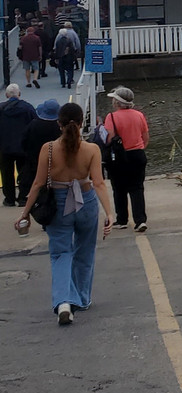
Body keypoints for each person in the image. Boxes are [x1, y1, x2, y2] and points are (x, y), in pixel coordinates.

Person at [15, 102, 113, 325]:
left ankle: (64, 302)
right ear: (81, 122)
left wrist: (25, 212)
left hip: (58, 204)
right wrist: (109, 213)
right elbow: (98, 183)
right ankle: (83, 299)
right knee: (85, 251)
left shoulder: (48, 149)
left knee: (60, 253)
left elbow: (38, 183)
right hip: (86, 201)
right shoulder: (92, 149)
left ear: (58, 124)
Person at [103, 86, 150, 232]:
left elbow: (109, 138)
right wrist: (140, 147)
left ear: (117, 102)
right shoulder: (139, 115)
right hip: (137, 154)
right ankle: (140, 220)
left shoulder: (111, 117)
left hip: (119, 156)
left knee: (119, 188)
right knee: (137, 188)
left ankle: (122, 219)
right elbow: (145, 137)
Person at [0, 84, 37, 207]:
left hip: (4, 147)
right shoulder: (28, 108)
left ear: (6, 95)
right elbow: (34, 125)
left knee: (6, 173)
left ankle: (9, 199)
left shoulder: (1, 109)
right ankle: (23, 198)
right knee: (24, 172)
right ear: (19, 94)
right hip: (23, 147)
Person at [22, 99, 62, 188]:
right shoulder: (59, 127)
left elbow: (24, 141)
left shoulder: (33, 125)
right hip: (55, 162)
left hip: (34, 160)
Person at [52, 21, 82, 89]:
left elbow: (55, 47)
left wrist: (56, 57)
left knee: (61, 70)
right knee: (70, 69)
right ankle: (69, 80)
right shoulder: (73, 34)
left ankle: (63, 83)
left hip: (60, 56)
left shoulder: (58, 38)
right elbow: (77, 44)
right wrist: (77, 52)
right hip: (69, 56)